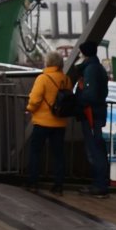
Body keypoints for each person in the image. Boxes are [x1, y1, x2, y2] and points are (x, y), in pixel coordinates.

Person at [24, 50, 70, 195]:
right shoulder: (66, 79)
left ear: (48, 62)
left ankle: (33, 183)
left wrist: (29, 108)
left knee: (36, 152)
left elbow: (35, 99)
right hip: (60, 123)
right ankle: (58, 186)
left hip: (42, 123)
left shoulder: (42, 78)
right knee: (58, 154)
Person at [72, 40, 110, 198]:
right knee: (97, 149)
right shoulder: (98, 67)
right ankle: (100, 184)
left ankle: (100, 186)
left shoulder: (91, 70)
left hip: (91, 114)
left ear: (83, 53)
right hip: (96, 113)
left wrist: (77, 102)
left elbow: (90, 94)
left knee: (95, 150)